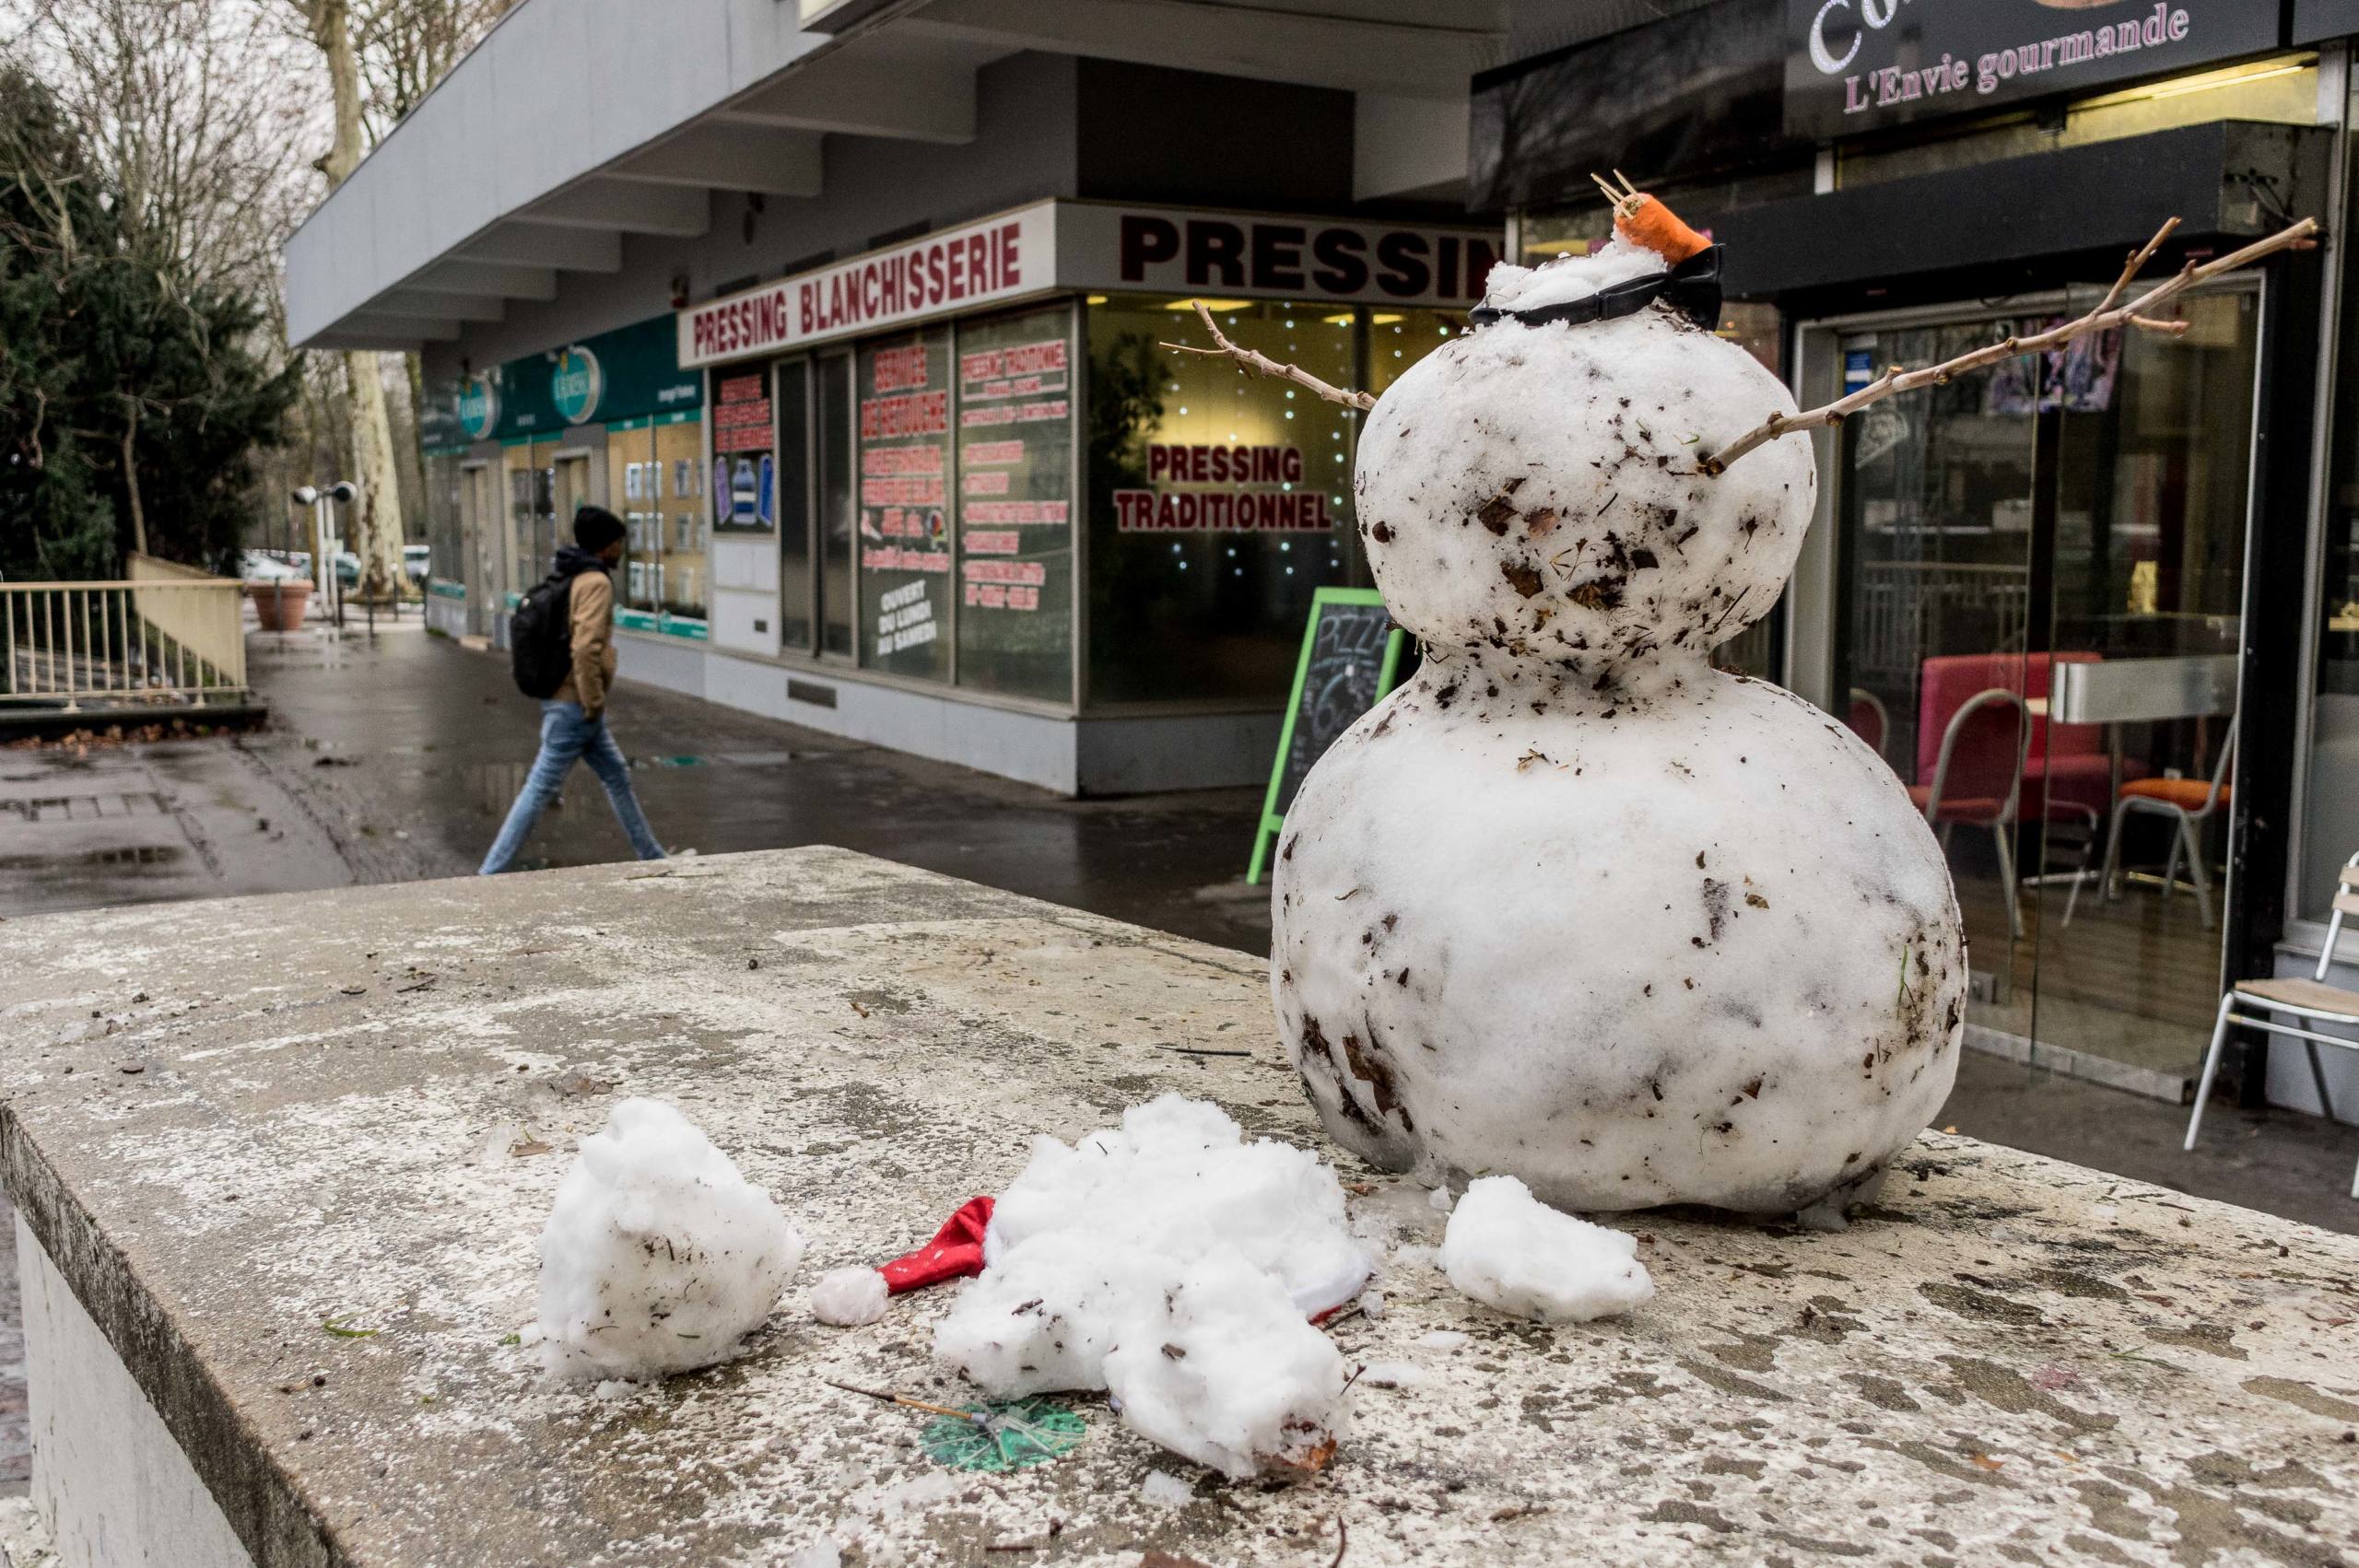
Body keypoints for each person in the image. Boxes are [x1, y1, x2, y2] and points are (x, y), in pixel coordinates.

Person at [479, 507, 666, 873]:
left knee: (616, 776)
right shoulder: (595, 582)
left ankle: (652, 855)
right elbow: (584, 647)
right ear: (606, 546)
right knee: (539, 788)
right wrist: (592, 701)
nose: (622, 548)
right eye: (618, 542)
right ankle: (490, 871)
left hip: (570, 703)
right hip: (575, 706)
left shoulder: (572, 574)